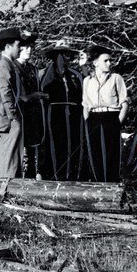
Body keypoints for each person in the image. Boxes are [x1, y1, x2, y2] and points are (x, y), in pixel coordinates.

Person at [82, 44, 129, 182]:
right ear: (96, 63)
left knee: (111, 153)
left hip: (111, 116)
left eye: (110, 60)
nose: (109, 63)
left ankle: (112, 184)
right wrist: (87, 121)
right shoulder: (87, 81)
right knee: (95, 153)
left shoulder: (116, 78)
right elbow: (85, 104)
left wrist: (118, 122)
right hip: (94, 117)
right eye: (105, 61)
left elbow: (124, 102)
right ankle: (97, 184)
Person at [38, 43, 85, 180]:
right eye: (65, 54)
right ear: (57, 56)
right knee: (55, 146)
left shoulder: (75, 76)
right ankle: (54, 177)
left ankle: (72, 178)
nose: (68, 57)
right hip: (54, 115)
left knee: (74, 145)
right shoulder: (44, 75)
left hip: (73, 116)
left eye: (69, 54)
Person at [0, 27, 24, 178]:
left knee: (12, 159)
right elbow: (4, 92)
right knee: (9, 161)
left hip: (6, 118)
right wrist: (13, 116)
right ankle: (5, 193)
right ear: (8, 47)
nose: (20, 49)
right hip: (8, 120)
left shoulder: (5, 63)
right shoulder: (4, 63)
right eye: (17, 45)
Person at [17, 33, 49, 179]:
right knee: (20, 155)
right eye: (25, 47)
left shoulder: (33, 69)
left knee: (33, 155)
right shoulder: (13, 67)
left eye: (31, 47)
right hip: (19, 116)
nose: (29, 50)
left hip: (34, 119)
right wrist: (32, 97)